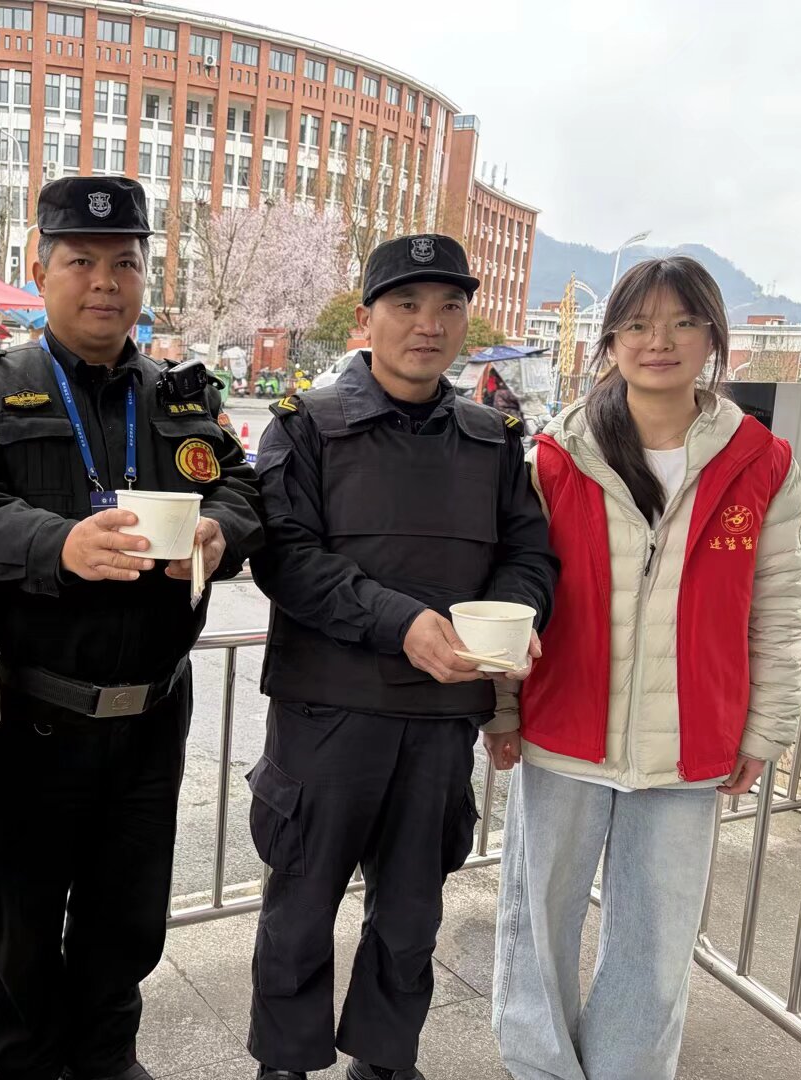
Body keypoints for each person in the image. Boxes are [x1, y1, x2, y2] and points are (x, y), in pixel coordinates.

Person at [0, 176, 263, 1080]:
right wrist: (59, 544)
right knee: (19, 936)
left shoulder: (183, 396)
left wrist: (218, 532)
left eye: (125, 262)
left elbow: (244, 489)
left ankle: (110, 1062)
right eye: (81, 261)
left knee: (127, 928)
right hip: (30, 722)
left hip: (151, 721)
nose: (105, 282)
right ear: (40, 267)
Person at [485, 256, 801, 1080]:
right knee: (535, 926)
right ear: (611, 341)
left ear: (713, 337)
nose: (657, 341)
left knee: (656, 943)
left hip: (688, 743)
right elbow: (517, 592)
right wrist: (503, 708)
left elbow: (778, 610)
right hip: (563, 729)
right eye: (636, 324)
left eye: (681, 323)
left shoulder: (762, 462)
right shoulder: (558, 455)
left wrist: (765, 729)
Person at [247, 233, 558, 1080]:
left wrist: (516, 614)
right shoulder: (306, 426)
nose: (430, 324)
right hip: (327, 714)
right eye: (408, 305)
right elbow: (286, 558)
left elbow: (530, 553)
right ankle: (285, 1065)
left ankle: (386, 1063)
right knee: (299, 911)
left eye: (449, 307)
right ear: (367, 318)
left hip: (438, 722)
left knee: (412, 917)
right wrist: (401, 622)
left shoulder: (493, 438)